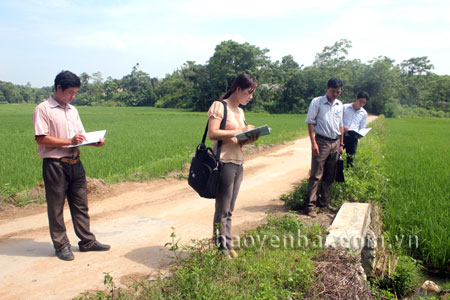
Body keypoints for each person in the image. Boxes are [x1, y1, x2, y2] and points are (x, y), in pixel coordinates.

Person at [32, 70, 110, 261]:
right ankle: (61, 245)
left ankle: (87, 241)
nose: (73, 96)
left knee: (81, 205)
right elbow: (41, 139)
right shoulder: (43, 109)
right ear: (59, 88)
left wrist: (94, 142)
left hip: (75, 163)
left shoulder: (73, 110)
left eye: (75, 93)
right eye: (70, 93)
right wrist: (68, 140)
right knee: (56, 207)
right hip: (55, 165)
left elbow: (79, 138)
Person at [207, 74, 259, 259]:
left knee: (230, 208)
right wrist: (240, 131)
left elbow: (237, 140)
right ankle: (221, 248)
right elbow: (213, 133)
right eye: (248, 92)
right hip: (224, 161)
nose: (250, 97)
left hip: (238, 161)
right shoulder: (220, 106)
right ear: (238, 89)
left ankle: (227, 245)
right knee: (222, 208)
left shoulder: (240, 112)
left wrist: (249, 137)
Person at [304, 78, 345, 218]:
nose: (335, 95)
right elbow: (310, 123)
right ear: (327, 88)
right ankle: (310, 206)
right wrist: (313, 143)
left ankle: (325, 202)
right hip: (321, 141)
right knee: (316, 174)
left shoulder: (340, 105)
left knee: (329, 175)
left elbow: (341, 126)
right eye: (333, 91)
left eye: (338, 92)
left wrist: (341, 144)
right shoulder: (317, 102)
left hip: (336, 141)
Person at [343, 91, 369, 168]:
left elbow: (362, 127)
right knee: (335, 155)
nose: (361, 104)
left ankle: (348, 175)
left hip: (353, 137)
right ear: (356, 98)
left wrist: (360, 135)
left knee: (351, 158)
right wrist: (343, 126)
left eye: (364, 103)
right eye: (360, 101)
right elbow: (337, 120)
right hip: (342, 135)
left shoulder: (363, 113)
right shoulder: (344, 107)